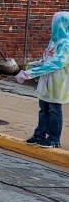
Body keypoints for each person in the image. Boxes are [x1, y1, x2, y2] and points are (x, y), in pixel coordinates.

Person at [16, 11, 68, 149]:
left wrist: (30, 74)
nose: (54, 25)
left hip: (58, 83)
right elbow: (47, 60)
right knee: (43, 109)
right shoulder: (54, 41)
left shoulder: (65, 43)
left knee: (54, 110)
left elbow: (56, 64)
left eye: (56, 22)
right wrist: (35, 64)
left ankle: (53, 139)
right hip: (46, 81)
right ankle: (39, 135)